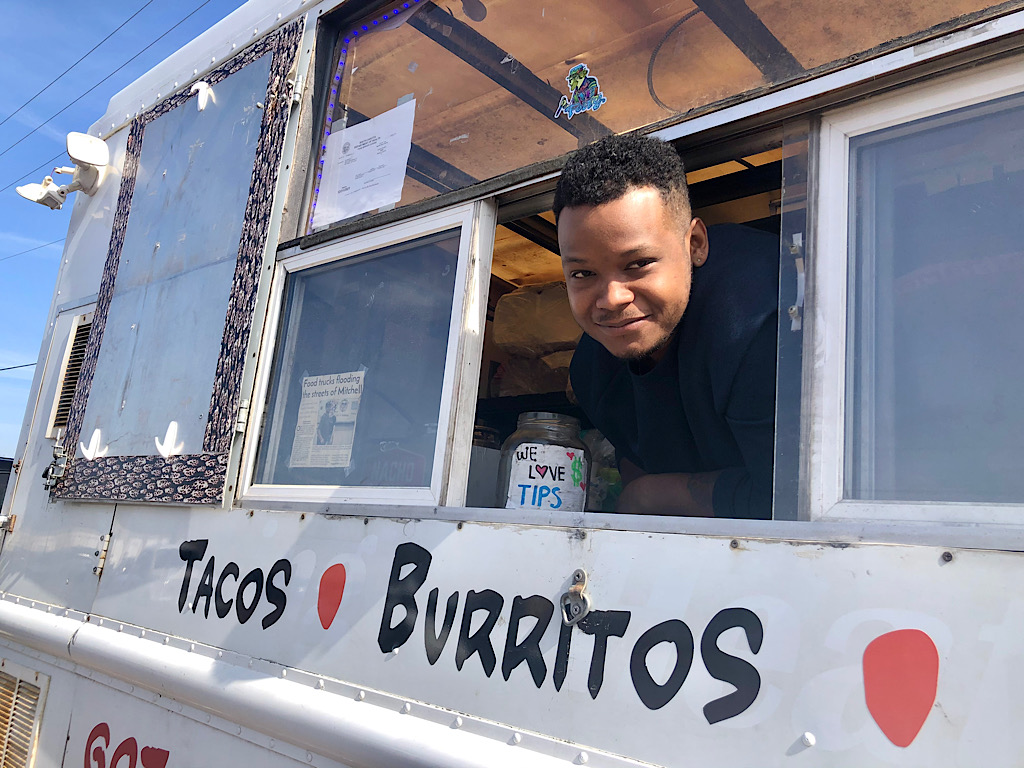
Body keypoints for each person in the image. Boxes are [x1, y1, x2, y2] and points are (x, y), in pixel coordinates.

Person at [555, 133, 778, 519]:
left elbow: (793, 502)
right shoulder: (592, 370)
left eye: (638, 264)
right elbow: (635, 461)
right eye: (583, 272)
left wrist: (652, 495)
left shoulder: (756, 323)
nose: (611, 298)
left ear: (695, 244)